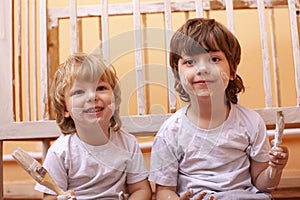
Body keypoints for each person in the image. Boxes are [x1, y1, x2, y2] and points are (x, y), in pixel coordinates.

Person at [149, 18, 289, 200]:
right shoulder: (170, 132)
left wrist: (275, 169)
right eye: (190, 62)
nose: (202, 69)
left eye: (214, 59)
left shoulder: (251, 123)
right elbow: (164, 191)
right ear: (178, 74)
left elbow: (262, 184)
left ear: (232, 71)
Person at [35, 52, 152, 200]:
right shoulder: (60, 152)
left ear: (114, 99)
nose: (92, 96)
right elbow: (50, 197)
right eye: (79, 92)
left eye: (101, 88)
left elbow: (141, 189)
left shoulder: (128, 144)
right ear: (65, 109)